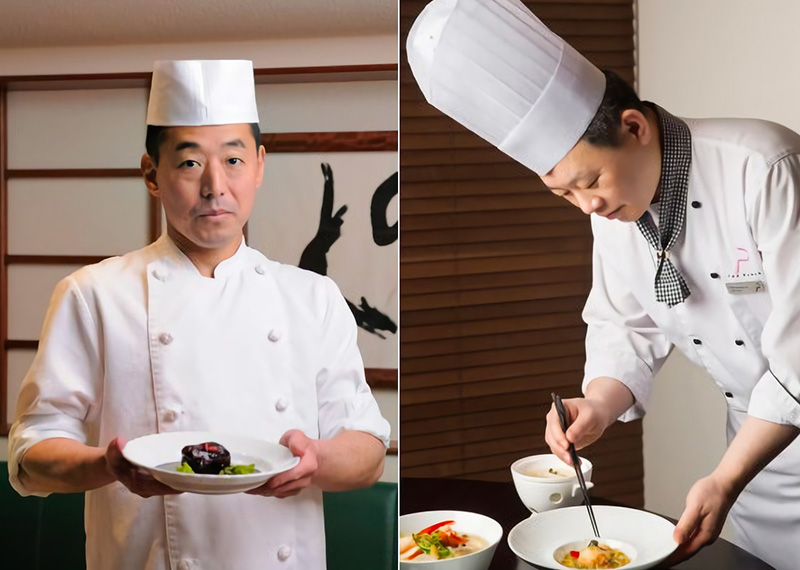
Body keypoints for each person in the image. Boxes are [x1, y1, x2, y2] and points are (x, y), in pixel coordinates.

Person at [406, 1, 800, 568]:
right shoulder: (611, 211)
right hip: (758, 466)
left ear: (633, 127)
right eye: (564, 194)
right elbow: (625, 323)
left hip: (749, 457)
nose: (586, 204)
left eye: (589, 181)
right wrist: (597, 404)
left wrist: (724, 476)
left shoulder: (761, 167)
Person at [8, 59, 390, 570]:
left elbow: (365, 451)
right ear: (152, 174)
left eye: (233, 160)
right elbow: (31, 456)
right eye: (190, 163)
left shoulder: (313, 297)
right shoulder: (93, 294)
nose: (215, 186)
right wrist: (106, 465)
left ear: (259, 165)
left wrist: (316, 460)